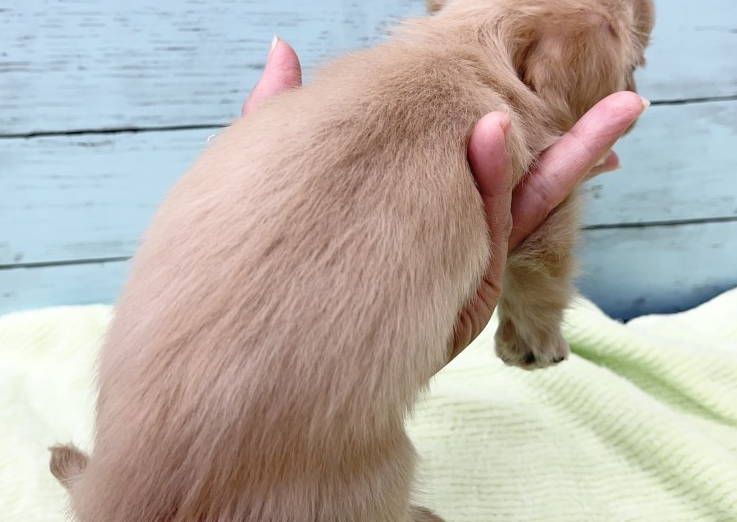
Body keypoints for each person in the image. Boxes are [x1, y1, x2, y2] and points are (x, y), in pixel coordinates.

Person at [243, 37, 647, 368]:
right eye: (632, 66)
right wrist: (534, 326)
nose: (630, 83)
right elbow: (542, 244)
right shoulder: (515, 111)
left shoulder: (359, 76)